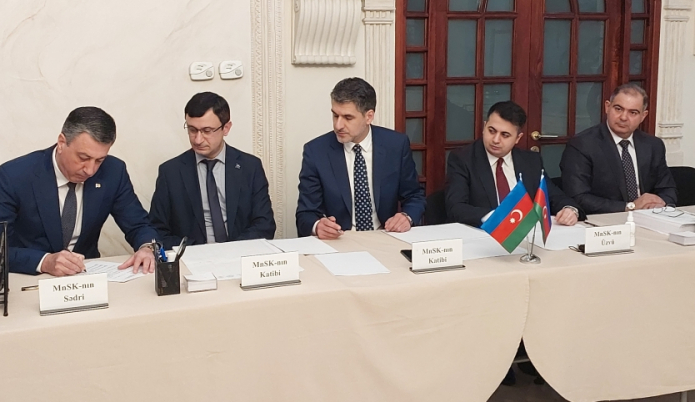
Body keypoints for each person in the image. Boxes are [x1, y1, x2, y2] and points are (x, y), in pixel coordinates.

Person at [0, 107, 157, 276]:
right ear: (61, 143)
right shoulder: (14, 176)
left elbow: (138, 224)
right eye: (83, 158)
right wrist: (44, 261)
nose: (90, 170)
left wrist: (147, 247)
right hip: (28, 278)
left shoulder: (113, 172)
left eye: (99, 160)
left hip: (85, 278)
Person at [296, 77, 425, 238]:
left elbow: (414, 196)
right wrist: (317, 226)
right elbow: (305, 214)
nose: (338, 125)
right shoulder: (316, 151)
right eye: (335, 116)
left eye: (348, 118)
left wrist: (406, 217)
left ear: (369, 116)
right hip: (340, 241)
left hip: (386, 237)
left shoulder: (396, 145)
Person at [150, 92, 275, 247]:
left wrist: (230, 251)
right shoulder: (171, 172)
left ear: (226, 128)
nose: (198, 139)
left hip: (240, 254)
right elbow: (157, 231)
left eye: (207, 131)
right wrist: (200, 251)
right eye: (192, 129)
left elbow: (265, 225)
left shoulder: (250, 167)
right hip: (193, 258)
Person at [446, 101, 584, 227]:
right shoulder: (463, 159)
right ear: (484, 127)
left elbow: (554, 196)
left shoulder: (531, 161)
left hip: (527, 237)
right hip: (484, 235)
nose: (495, 140)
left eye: (505, 135)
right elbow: (456, 207)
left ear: (518, 138)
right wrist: (496, 217)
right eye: (491, 131)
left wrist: (569, 210)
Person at [560, 83, 677, 214]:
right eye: (618, 109)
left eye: (633, 112)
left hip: (648, 218)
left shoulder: (653, 145)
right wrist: (630, 206)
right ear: (607, 107)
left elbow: (668, 189)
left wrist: (659, 203)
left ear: (643, 116)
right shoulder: (582, 144)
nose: (623, 117)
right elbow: (578, 197)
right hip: (605, 221)